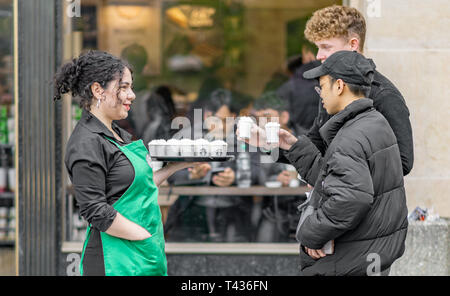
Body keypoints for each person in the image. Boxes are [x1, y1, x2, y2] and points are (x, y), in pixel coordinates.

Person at [239, 50, 408, 275]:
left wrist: (311, 233)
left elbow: (351, 197)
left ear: (339, 86)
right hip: (365, 255)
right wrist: (293, 145)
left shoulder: (352, 135)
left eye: (322, 86)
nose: (319, 94)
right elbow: (336, 180)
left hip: (348, 260)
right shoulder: (373, 123)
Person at [54, 50, 199, 276]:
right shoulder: (86, 142)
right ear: (97, 90)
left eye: (131, 87)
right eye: (123, 87)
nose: (131, 95)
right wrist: (144, 238)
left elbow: (137, 184)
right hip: (114, 259)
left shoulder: (117, 133)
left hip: (140, 254)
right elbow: (96, 210)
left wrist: (179, 165)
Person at [277, 5, 413, 186]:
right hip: (335, 204)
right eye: (317, 47)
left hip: (367, 210)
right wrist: (274, 145)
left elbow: (403, 163)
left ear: (353, 45)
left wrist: (333, 177)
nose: (319, 55)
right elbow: (317, 143)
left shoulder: (385, 95)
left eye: (326, 47)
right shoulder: (331, 90)